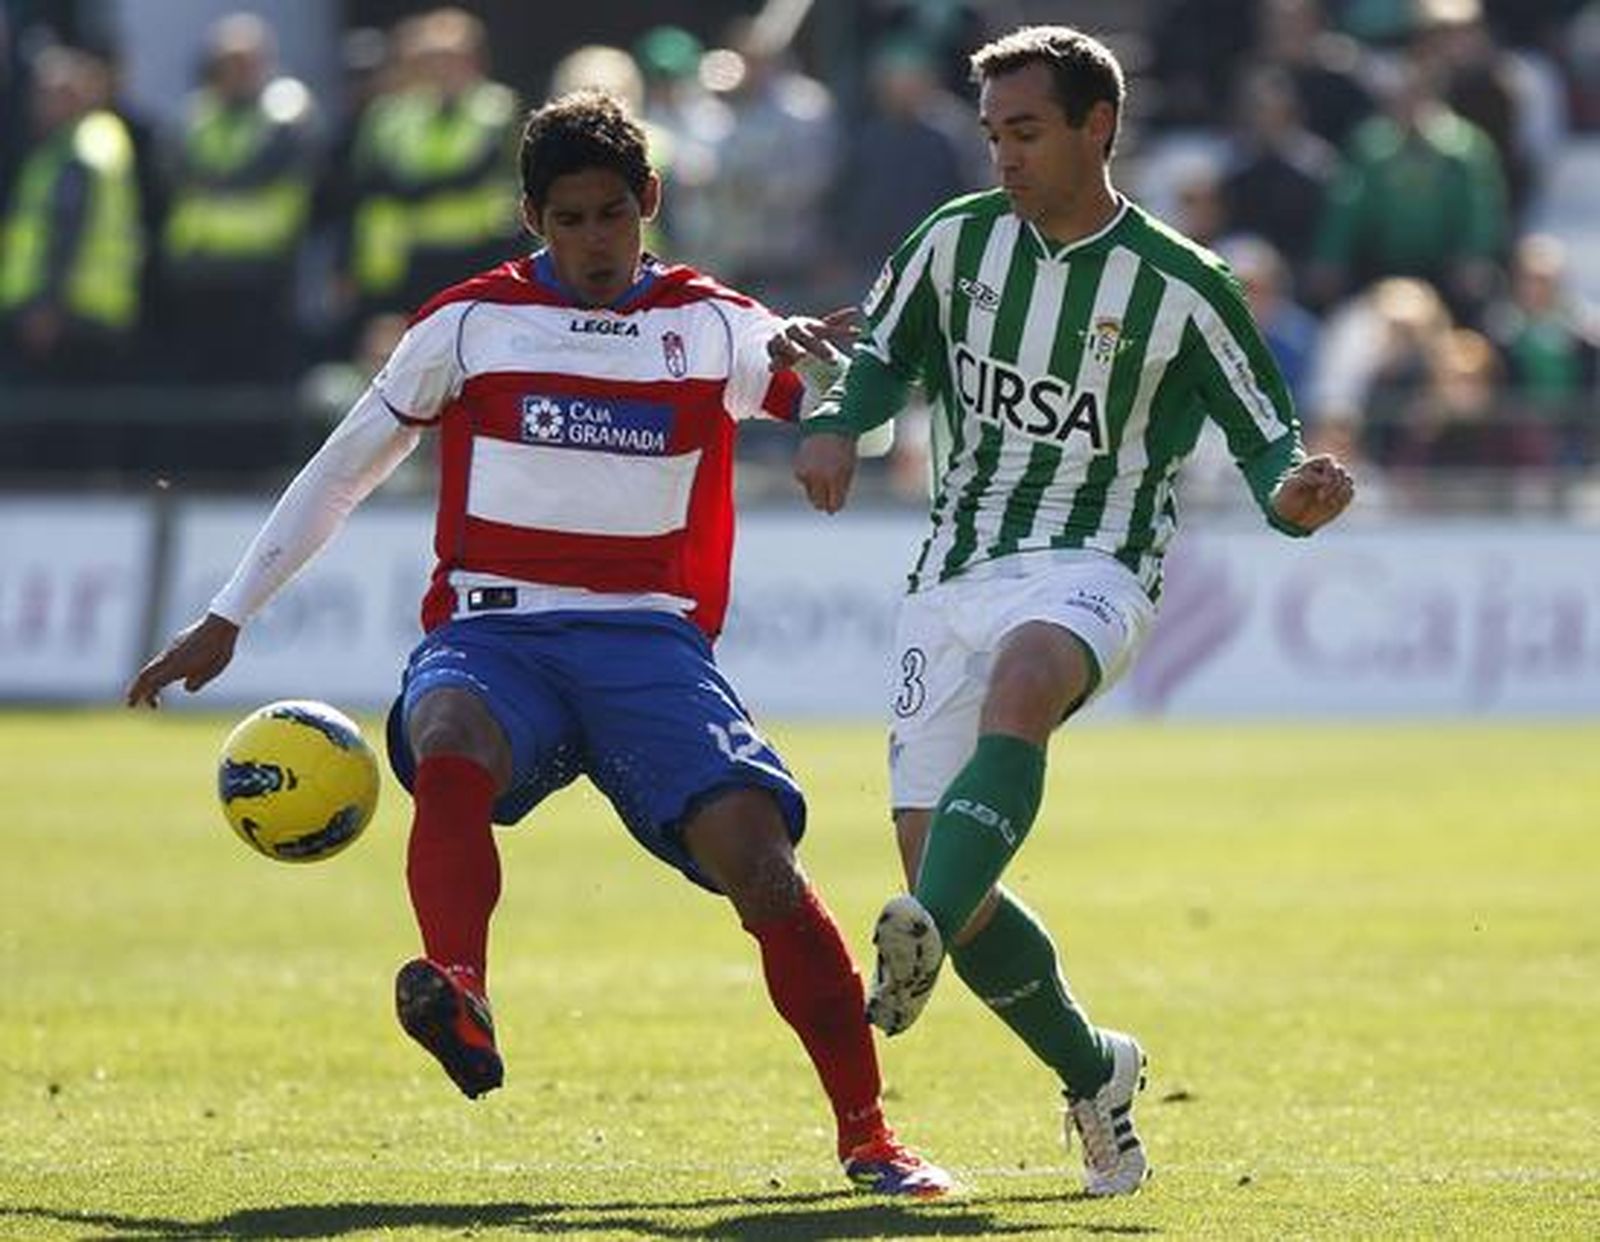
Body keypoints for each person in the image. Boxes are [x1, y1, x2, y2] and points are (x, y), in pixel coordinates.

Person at [126, 89, 949, 1200]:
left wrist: (835, 392)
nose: (595, 241)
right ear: (531, 218)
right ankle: (457, 982)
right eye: (569, 219)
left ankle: (869, 1137)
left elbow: (848, 408)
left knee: (757, 863)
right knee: (447, 727)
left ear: (648, 202)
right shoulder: (468, 325)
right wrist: (230, 615)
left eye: (613, 214)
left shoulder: (713, 323)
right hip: (495, 632)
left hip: (650, 649)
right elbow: (344, 466)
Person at [794, 25, 1355, 1198]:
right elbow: (880, 358)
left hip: (1096, 561)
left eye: (1026, 130)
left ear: (1097, 127)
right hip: (953, 570)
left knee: (1030, 680)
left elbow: (1267, 450)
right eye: (994, 130)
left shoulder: (1184, 286)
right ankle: (1093, 1067)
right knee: (944, 859)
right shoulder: (951, 245)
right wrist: (840, 424)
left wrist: (1297, 499)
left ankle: (909, 945)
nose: (1002, 153)